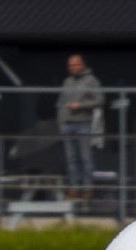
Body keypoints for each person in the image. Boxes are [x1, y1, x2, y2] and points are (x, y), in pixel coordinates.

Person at [58, 54, 104, 201]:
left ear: (82, 64)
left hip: (84, 122)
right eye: (70, 65)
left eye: (75, 64)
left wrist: (82, 105)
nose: (72, 67)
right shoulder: (67, 82)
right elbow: (61, 102)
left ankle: (87, 188)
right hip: (68, 123)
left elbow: (100, 100)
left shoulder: (91, 80)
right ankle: (74, 187)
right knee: (71, 158)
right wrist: (61, 121)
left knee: (85, 157)